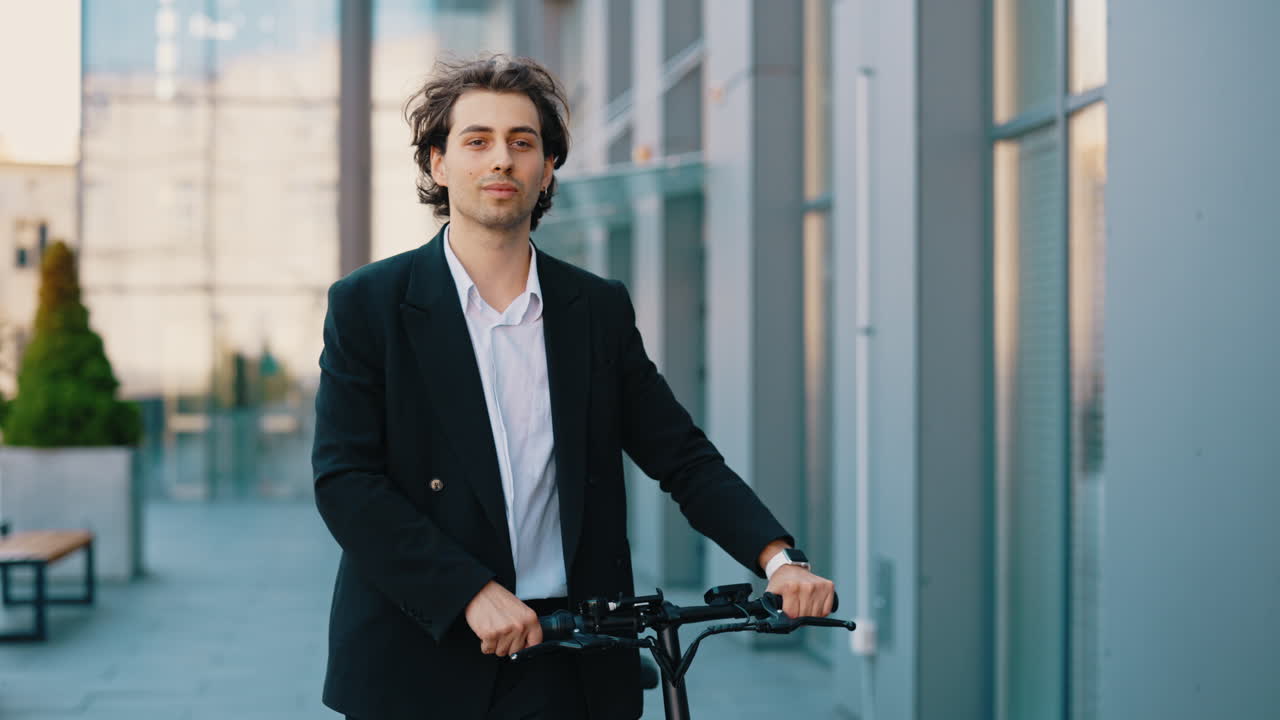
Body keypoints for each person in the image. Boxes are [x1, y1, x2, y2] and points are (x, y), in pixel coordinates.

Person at [311, 54, 835, 720]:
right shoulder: (371, 305)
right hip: (423, 649)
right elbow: (347, 481)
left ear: (547, 169)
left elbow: (681, 456)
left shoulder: (594, 308)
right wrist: (470, 591)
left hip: (573, 649)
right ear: (439, 164)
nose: (501, 159)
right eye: (478, 141)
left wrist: (778, 558)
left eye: (522, 143)